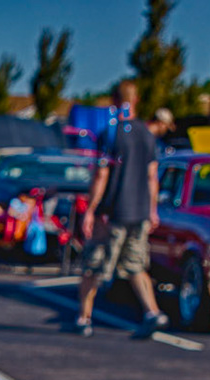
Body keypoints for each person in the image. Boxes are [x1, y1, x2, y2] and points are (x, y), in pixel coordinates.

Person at [73, 80, 168, 337]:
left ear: (114, 102)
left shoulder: (111, 134)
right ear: (136, 100)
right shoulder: (147, 135)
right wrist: (152, 210)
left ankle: (84, 317)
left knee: (95, 266)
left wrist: (91, 210)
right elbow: (152, 177)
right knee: (136, 265)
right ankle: (152, 312)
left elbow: (100, 176)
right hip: (138, 214)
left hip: (113, 213)